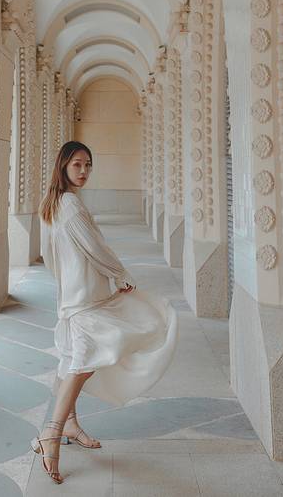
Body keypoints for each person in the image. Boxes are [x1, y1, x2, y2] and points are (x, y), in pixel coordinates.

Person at [31, 140, 178, 484]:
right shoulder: (70, 206)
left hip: (73, 296)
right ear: (63, 166)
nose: (84, 171)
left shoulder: (53, 203)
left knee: (73, 359)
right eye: (77, 164)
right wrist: (120, 273)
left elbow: (50, 256)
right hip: (84, 300)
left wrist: (68, 283)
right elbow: (95, 248)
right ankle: (51, 433)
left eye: (88, 165)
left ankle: (69, 424)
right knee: (82, 364)